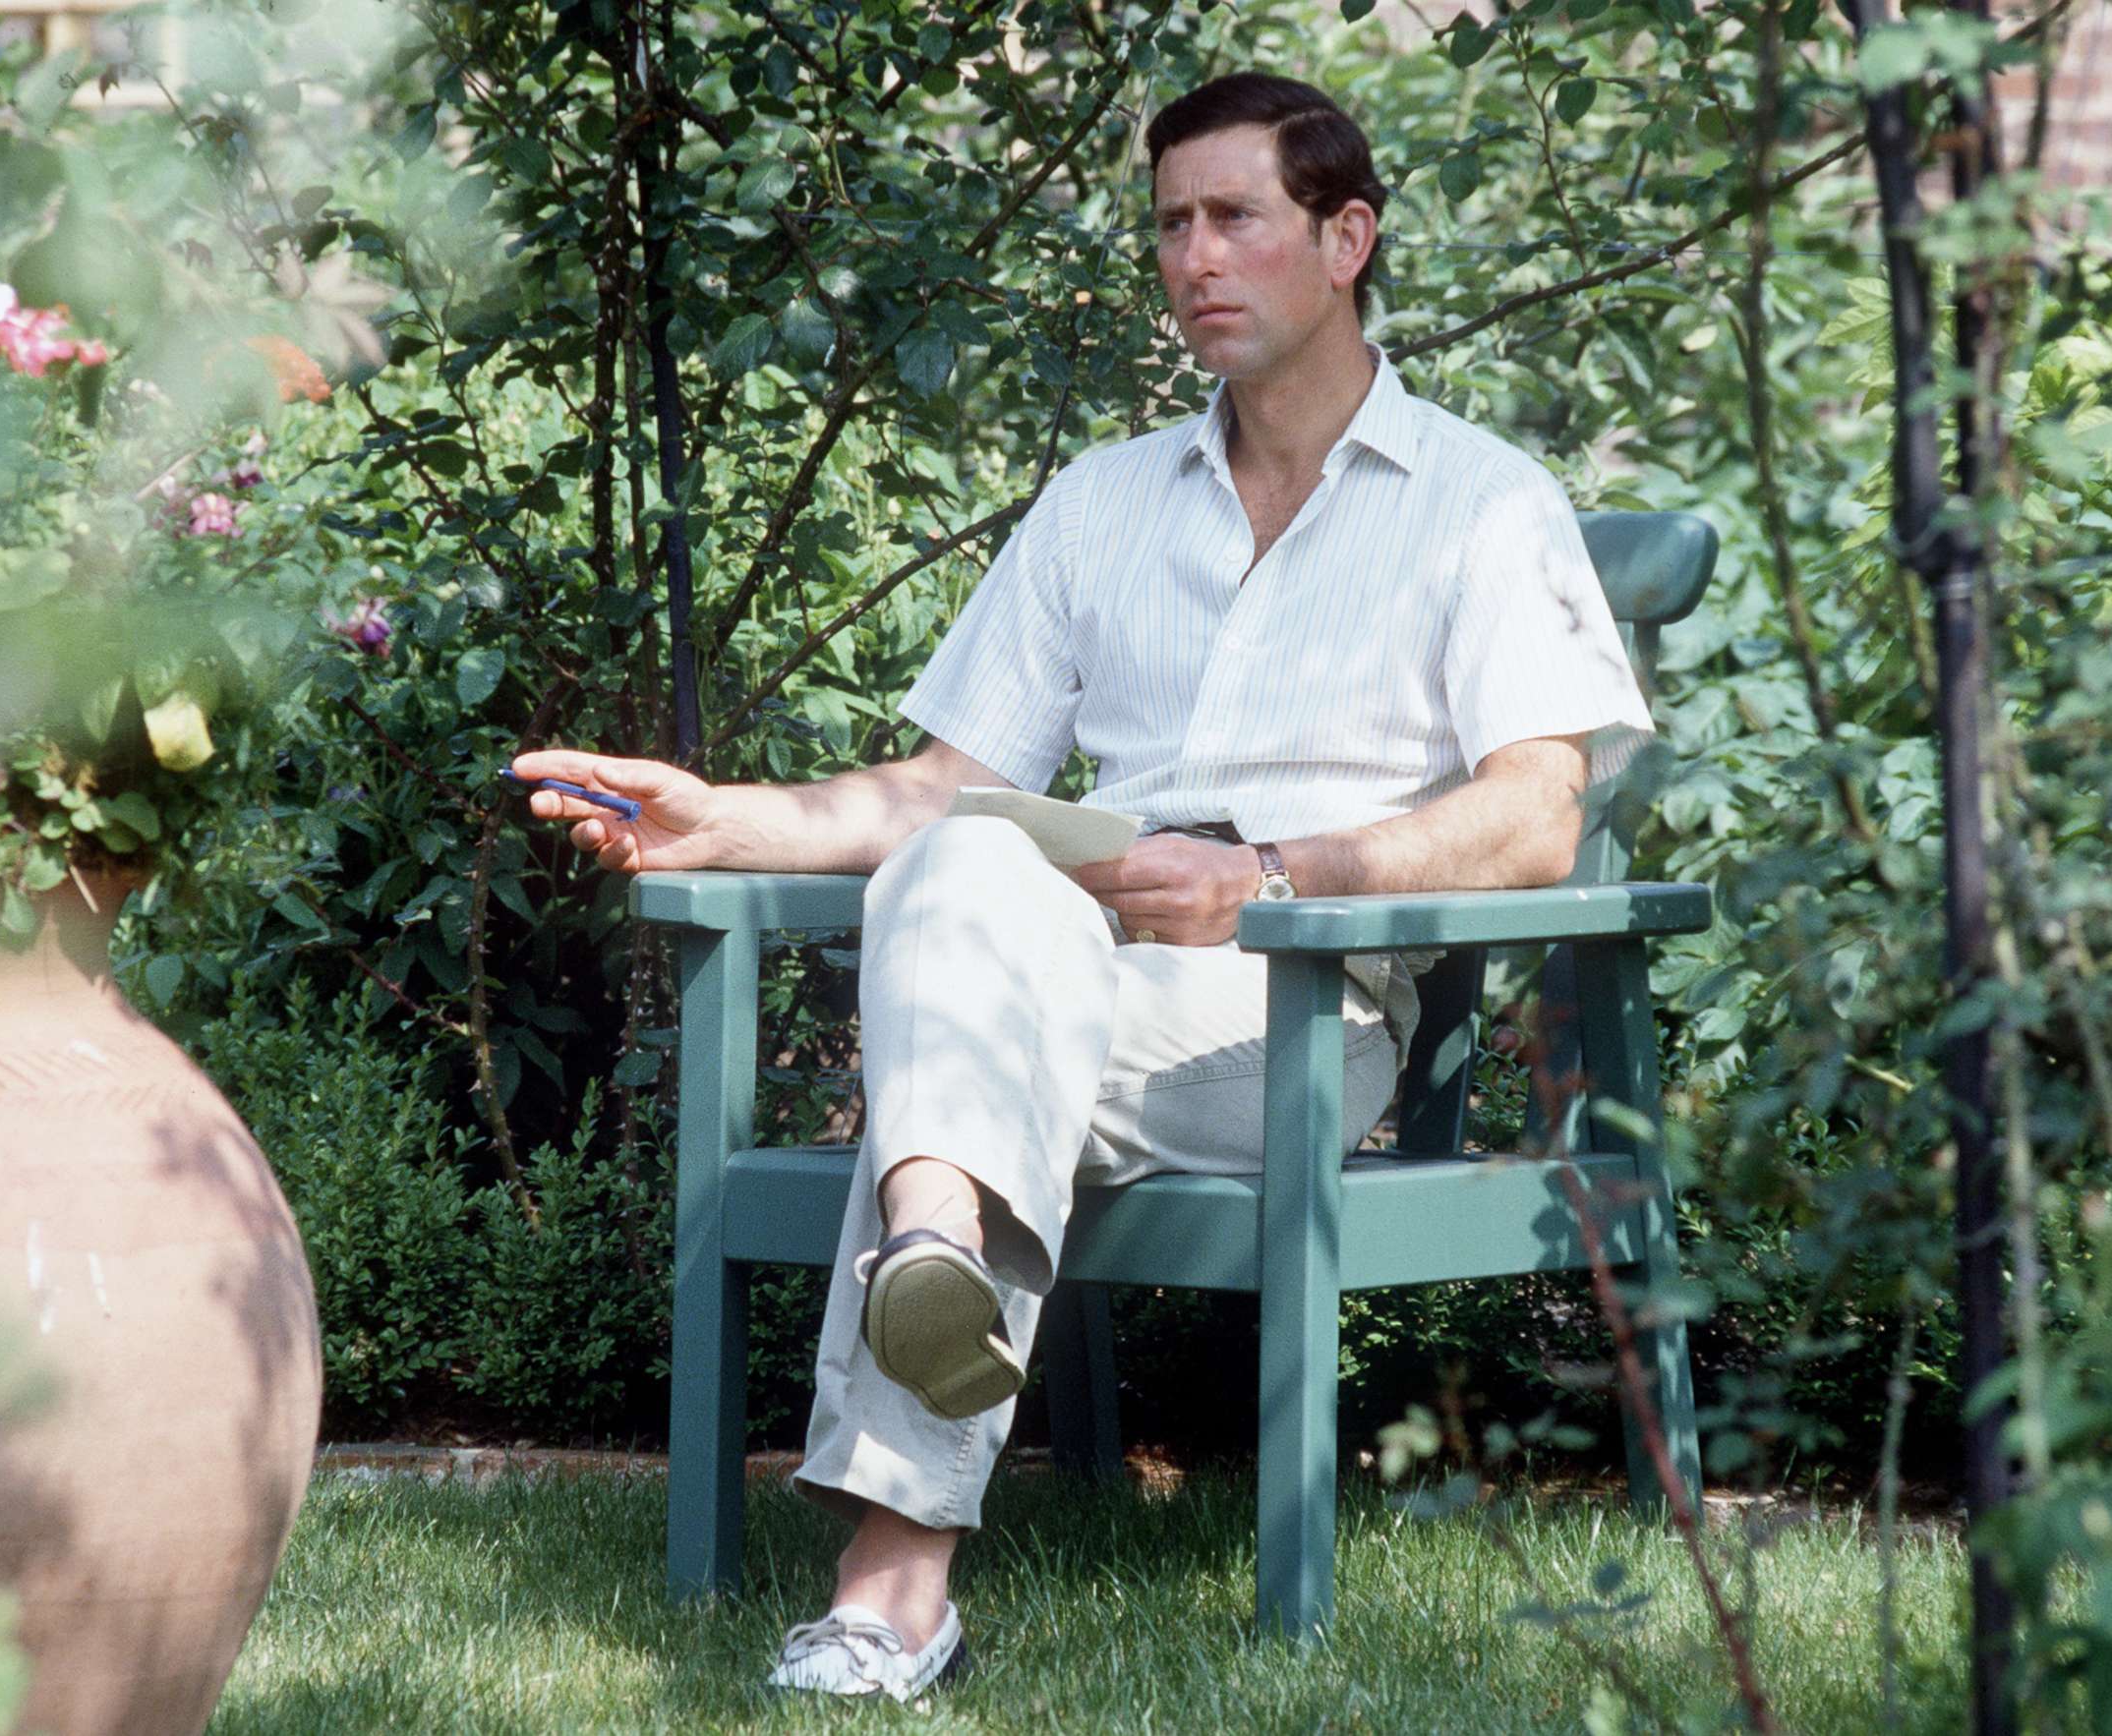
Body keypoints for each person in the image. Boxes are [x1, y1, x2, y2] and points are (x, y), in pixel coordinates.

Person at [513, 71, 1653, 1702]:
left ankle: (905, 1467)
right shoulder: (1100, 504)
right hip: (1049, 970)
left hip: (1288, 1011)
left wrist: (1269, 871)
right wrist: (720, 819)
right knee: (971, 858)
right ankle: (920, 1376)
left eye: (1235, 218)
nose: (1196, 257)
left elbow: (1535, 814)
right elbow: (937, 789)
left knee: (960, 1002)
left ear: (1346, 238)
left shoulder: (1483, 504)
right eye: (1173, 223)